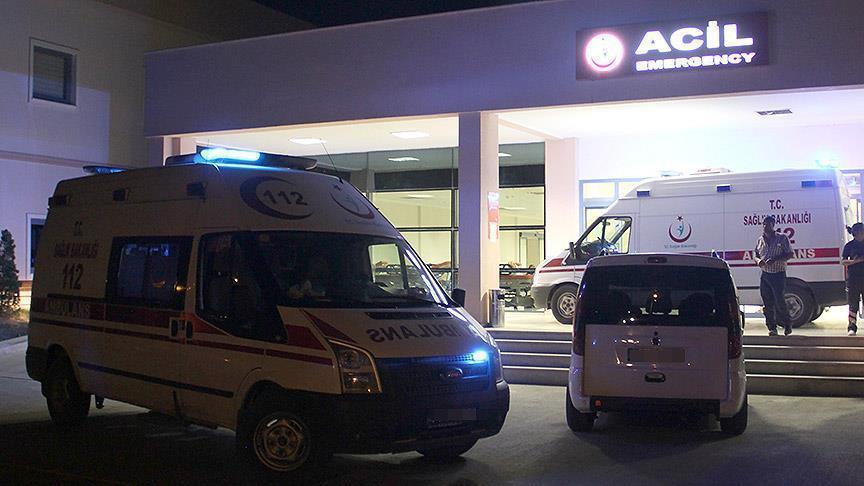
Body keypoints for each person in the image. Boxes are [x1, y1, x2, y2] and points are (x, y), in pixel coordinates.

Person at [754, 215, 794, 336]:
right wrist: (758, 261)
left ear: (773, 225)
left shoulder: (782, 238)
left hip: (778, 274)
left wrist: (775, 259)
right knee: (767, 303)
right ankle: (772, 327)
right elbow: (755, 254)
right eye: (764, 224)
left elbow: (790, 254)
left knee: (779, 301)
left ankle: (787, 324)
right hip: (765, 274)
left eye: (768, 224)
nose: (765, 226)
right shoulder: (760, 240)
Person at [842, 223, 864, 336]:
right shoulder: (849, 246)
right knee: (853, 304)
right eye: (857, 233)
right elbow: (843, 261)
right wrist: (856, 261)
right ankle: (852, 327)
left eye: (861, 232)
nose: (859, 235)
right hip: (853, 279)